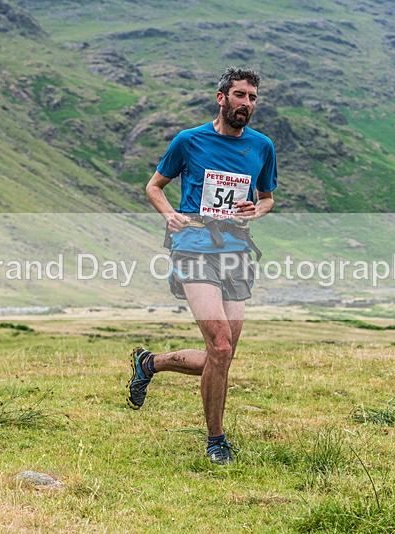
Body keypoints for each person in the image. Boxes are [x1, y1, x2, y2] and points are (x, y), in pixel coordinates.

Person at [125, 66, 277, 464]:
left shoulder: (262, 146)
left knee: (222, 355)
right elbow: (154, 187)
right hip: (193, 247)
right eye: (240, 95)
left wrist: (256, 209)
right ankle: (216, 440)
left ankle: (150, 363)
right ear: (221, 97)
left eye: (253, 98)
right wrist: (170, 215)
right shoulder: (188, 140)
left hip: (236, 251)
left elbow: (267, 198)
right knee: (221, 344)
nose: (247, 103)